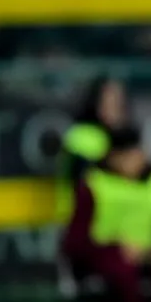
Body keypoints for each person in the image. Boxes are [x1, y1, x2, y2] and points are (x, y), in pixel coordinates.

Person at [62, 126, 151, 302]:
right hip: (106, 256)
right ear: (113, 157)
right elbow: (74, 242)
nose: (135, 161)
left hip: (149, 256)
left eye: (137, 154)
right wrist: (117, 249)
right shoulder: (93, 186)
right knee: (122, 273)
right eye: (128, 156)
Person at [57, 76, 128, 220]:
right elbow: (81, 179)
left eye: (118, 102)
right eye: (109, 101)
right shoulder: (82, 135)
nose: (114, 108)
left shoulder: (123, 138)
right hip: (82, 218)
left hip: (110, 219)